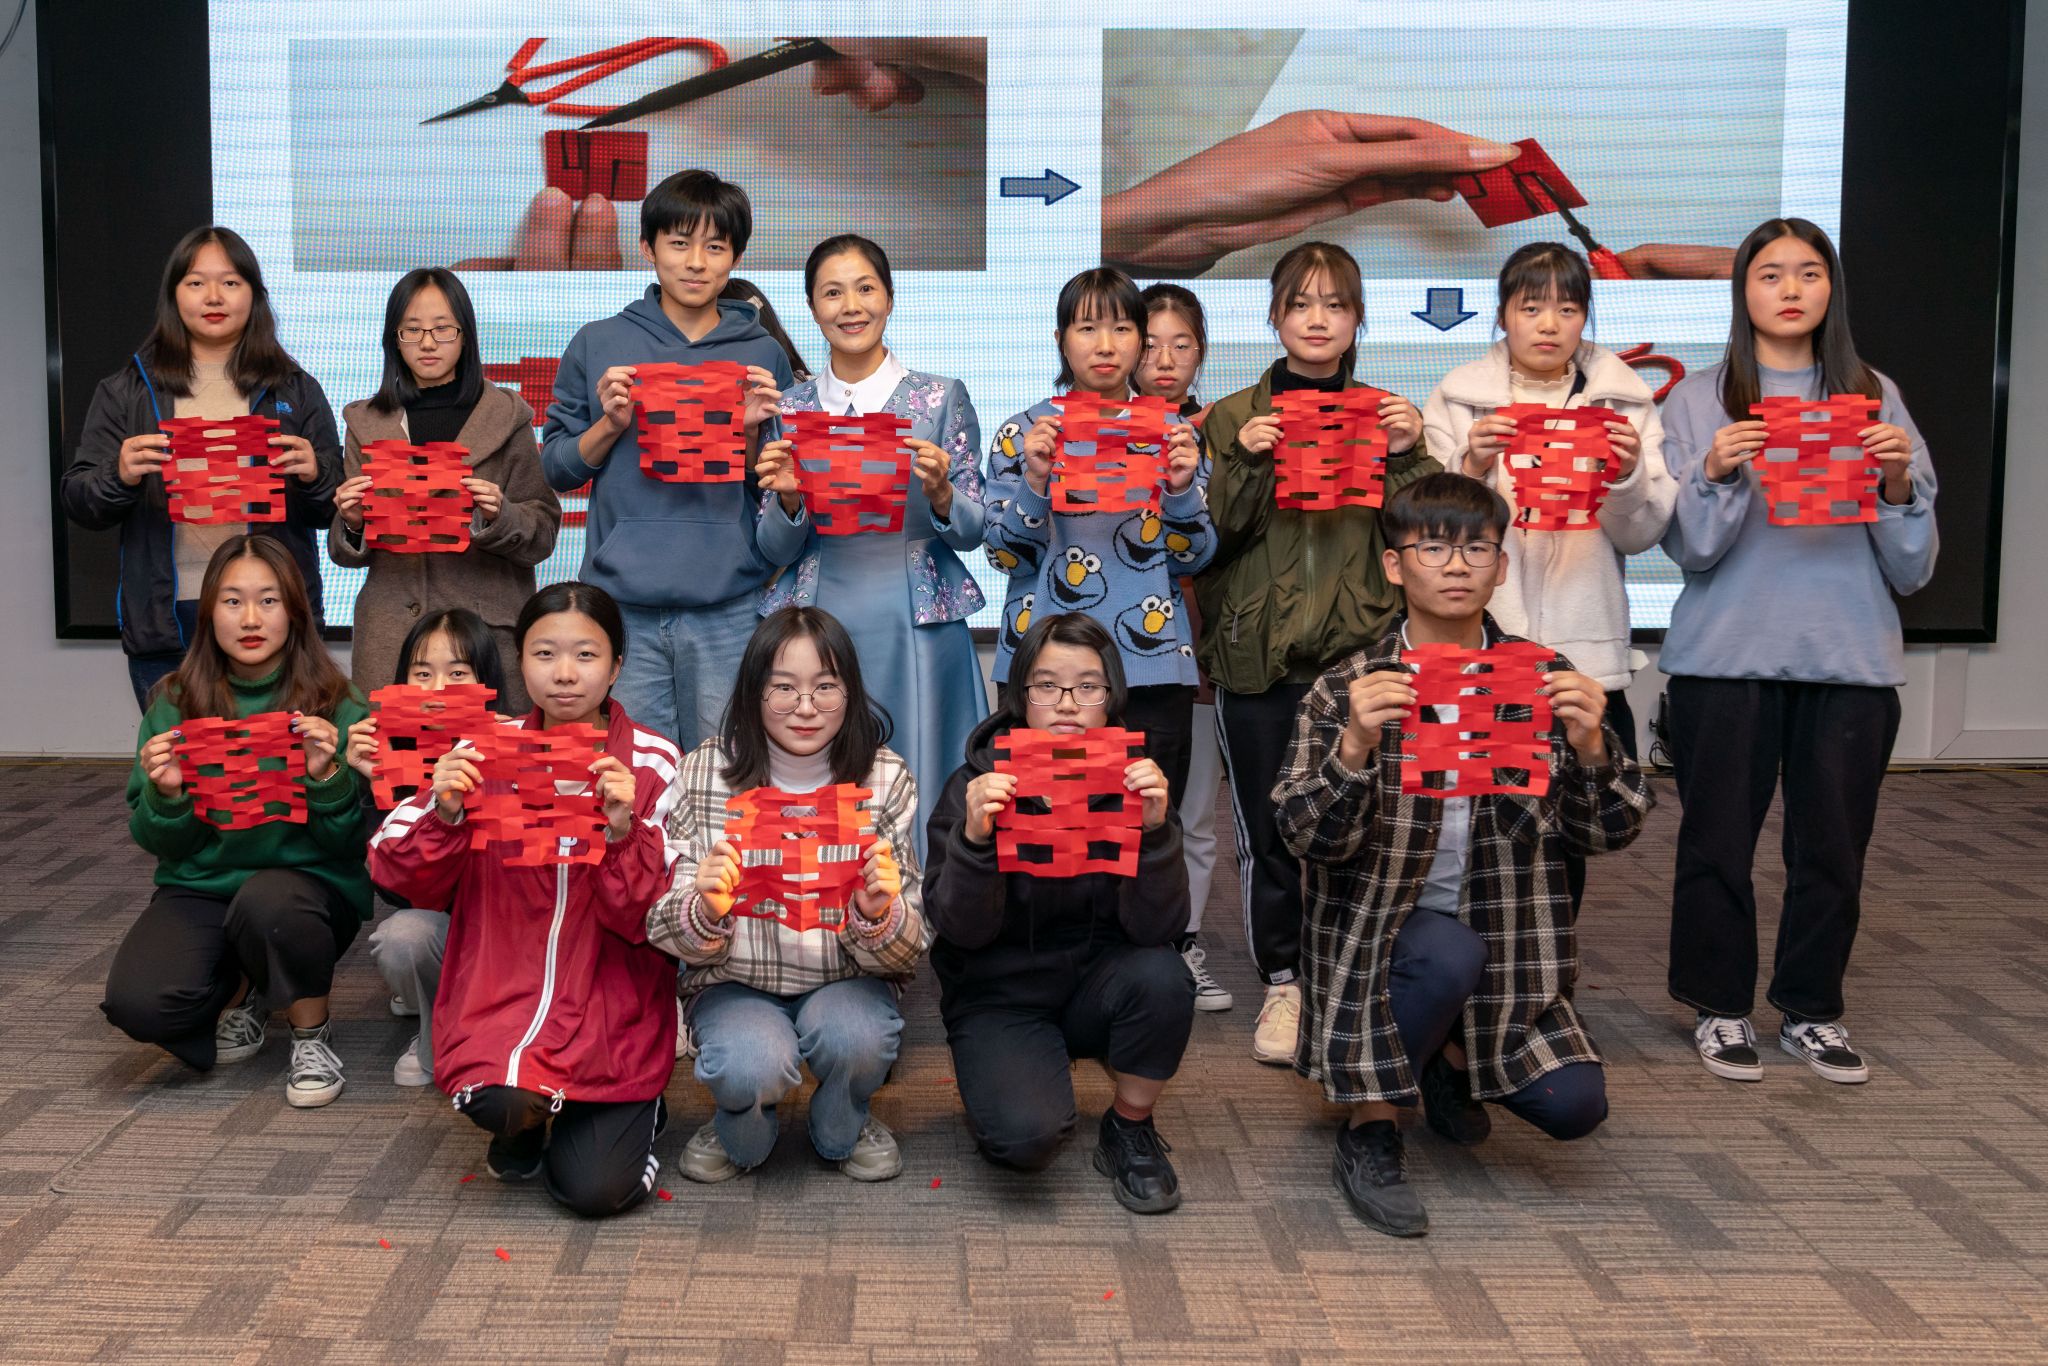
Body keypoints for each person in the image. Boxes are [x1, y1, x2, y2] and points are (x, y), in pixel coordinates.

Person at [1272, 474, 1651, 1236]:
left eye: (1477, 549)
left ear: (1501, 567)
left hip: (1509, 944)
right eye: (1433, 548)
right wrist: (1354, 747)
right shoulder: (1349, 685)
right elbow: (1305, 836)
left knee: (1575, 1106)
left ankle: (1446, 1061)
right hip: (1383, 938)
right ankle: (1371, 1127)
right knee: (1446, 954)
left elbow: (1607, 834)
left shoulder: (1544, 679)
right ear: (1393, 565)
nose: (1455, 565)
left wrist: (1590, 747)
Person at [1658, 218, 1937, 1086]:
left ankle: (1812, 1010)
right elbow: (1691, 550)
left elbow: (1915, 567)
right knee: (1716, 846)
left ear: (1831, 290)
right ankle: (1719, 1006)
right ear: (1742, 290)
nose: (1789, 289)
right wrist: (1716, 472)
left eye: (1809, 273)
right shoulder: (1697, 398)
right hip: (1724, 659)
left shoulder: (1874, 394)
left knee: (1834, 852)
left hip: (1850, 661)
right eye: (1770, 273)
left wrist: (1896, 481)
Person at [369, 583, 685, 1217]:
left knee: (594, 1192)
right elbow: (397, 870)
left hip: (609, 1009)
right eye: (545, 654)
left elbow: (652, 916)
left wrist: (622, 832)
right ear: (521, 663)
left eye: (586, 655)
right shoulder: (481, 751)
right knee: (503, 1100)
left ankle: (637, 1109)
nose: (564, 673)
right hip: (502, 998)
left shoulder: (655, 762)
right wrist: (445, 812)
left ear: (616, 666)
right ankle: (524, 1122)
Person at [1194, 242, 1438, 1063]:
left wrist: (1410, 451)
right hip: (1256, 655)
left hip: (1357, 659)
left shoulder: (1387, 414)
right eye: (1301, 304)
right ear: (1275, 316)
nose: (1318, 319)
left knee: (1364, 821)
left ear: (1358, 318)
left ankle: (1354, 970)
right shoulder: (1232, 416)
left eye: (1335, 304)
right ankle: (1285, 982)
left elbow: (1422, 534)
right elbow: (1210, 540)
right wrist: (1245, 461)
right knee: (1270, 829)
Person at [1422, 241, 1674, 914]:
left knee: (1568, 829)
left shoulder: (1625, 401)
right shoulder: (1459, 398)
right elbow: (1428, 533)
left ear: (1585, 317)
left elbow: (1642, 533)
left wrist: (1625, 475)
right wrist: (1470, 467)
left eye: (1567, 308)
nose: (1548, 324)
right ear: (1503, 313)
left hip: (1583, 652)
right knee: (1466, 824)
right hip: (1481, 647)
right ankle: (1462, 963)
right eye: (1531, 307)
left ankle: (1547, 962)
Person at [923, 612, 1195, 1213]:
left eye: (1087, 687)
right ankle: (1014, 1072)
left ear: (1111, 696)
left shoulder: (1136, 782)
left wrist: (1155, 834)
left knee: (1166, 977)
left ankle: (1129, 1125)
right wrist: (973, 841)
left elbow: (1162, 929)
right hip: (1000, 992)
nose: (1067, 703)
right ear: (1021, 695)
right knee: (1025, 1138)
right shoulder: (976, 781)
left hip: (1101, 980)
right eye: (1047, 686)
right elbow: (957, 928)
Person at [650, 608, 925, 1183]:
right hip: (734, 983)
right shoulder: (704, 772)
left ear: (851, 693)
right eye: (783, 688)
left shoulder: (884, 776)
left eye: (825, 687)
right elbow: (661, 925)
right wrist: (704, 909)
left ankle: (845, 1117)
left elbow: (911, 947)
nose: (805, 707)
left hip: (846, 979)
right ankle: (738, 1115)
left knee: (859, 1040)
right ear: (753, 693)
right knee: (749, 1070)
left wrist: (878, 915)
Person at [103, 535, 369, 1108]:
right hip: (203, 888)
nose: (251, 619)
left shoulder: (338, 702)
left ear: (295, 611)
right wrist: (169, 795)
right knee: (140, 1005)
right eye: (232, 601)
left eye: (268, 600)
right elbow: (154, 840)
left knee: (271, 903)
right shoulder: (173, 702)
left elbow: (353, 842)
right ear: (208, 612)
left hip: (305, 896)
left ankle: (311, 1034)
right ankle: (246, 985)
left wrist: (326, 776)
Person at [538, 169, 798, 750]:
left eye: (715, 247)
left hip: (730, 606)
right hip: (622, 607)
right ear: (647, 248)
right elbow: (555, 469)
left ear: (735, 258)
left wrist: (750, 433)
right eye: (679, 243)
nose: (696, 263)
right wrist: (610, 424)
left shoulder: (762, 353)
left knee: (727, 772)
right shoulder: (598, 342)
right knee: (634, 777)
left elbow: (778, 491)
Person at [756, 235, 989, 846]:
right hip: (818, 613)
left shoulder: (940, 397)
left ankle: (924, 898)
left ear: (889, 297)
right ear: (812, 307)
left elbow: (975, 529)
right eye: (833, 293)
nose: (851, 306)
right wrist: (788, 500)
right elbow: (774, 550)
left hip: (918, 622)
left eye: (865, 288)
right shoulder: (789, 409)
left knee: (926, 775)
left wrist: (942, 493)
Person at [60, 226, 343, 710]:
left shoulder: (295, 388)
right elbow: (79, 500)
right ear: (174, 295)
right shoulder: (128, 390)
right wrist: (119, 474)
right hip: (169, 618)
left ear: (254, 294)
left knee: (282, 755)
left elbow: (337, 510)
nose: (214, 296)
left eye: (230, 282)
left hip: (272, 615)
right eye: (196, 282)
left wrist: (315, 476)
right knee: (179, 755)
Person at [983, 268, 1213, 805]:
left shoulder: (1174, 433)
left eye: (1122, 328)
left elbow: (1194, 560)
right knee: (1040, 828)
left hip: (1150, 667)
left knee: (1148, 829)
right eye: (1087, 328)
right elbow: (1003, 555)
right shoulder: (1024, 433)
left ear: (1140, 340)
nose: (1105, 345)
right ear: (1061, 339)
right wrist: (1034, 482)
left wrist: (1181, 491)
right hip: (1042, 673)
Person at [330, 267, 560, 716]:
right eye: (412, 330)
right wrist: (352, 523)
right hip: (393, 637)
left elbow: (544, 532)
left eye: (442, 329)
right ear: (394, 339)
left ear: (465, 336)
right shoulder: (365, 422)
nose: (428, 343)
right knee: (392, 757)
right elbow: (345, 552)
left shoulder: (505, 417)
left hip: (484, 635)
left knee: (488, 756)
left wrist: (500, 516)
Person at [342, 607, 507, 1086]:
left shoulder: (513, 741)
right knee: (402, 937)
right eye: (422, 674)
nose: (437, 690)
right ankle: (431, 1012)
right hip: (434, 917)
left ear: (486, 682)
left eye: (457, 673)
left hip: (504, 923)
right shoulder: (386, 750)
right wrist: (378, 786)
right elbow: (392, 885)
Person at [1135, 282, 1229, 1011]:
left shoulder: (1221, 432)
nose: (1165, 360)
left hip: (1198, 636)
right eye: (1151, 344)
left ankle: (1183, 940)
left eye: (1183, 344)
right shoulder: (1082, 427)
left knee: (1192, 807)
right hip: (1123, 649)